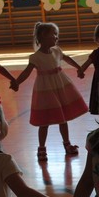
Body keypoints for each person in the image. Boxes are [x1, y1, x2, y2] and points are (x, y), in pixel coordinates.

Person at [14, 22, 88, 161]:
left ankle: (67, 144)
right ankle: (41, 147)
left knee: (63, 118)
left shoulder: (57, 51)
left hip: (60, 86)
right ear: (43, 36)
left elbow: (67, 59)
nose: (56, 37)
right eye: (53, 34)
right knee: (44, 121)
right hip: (45, 90)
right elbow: (26, 72)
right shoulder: (36, 57)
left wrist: (79, 67)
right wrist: (17, 82)